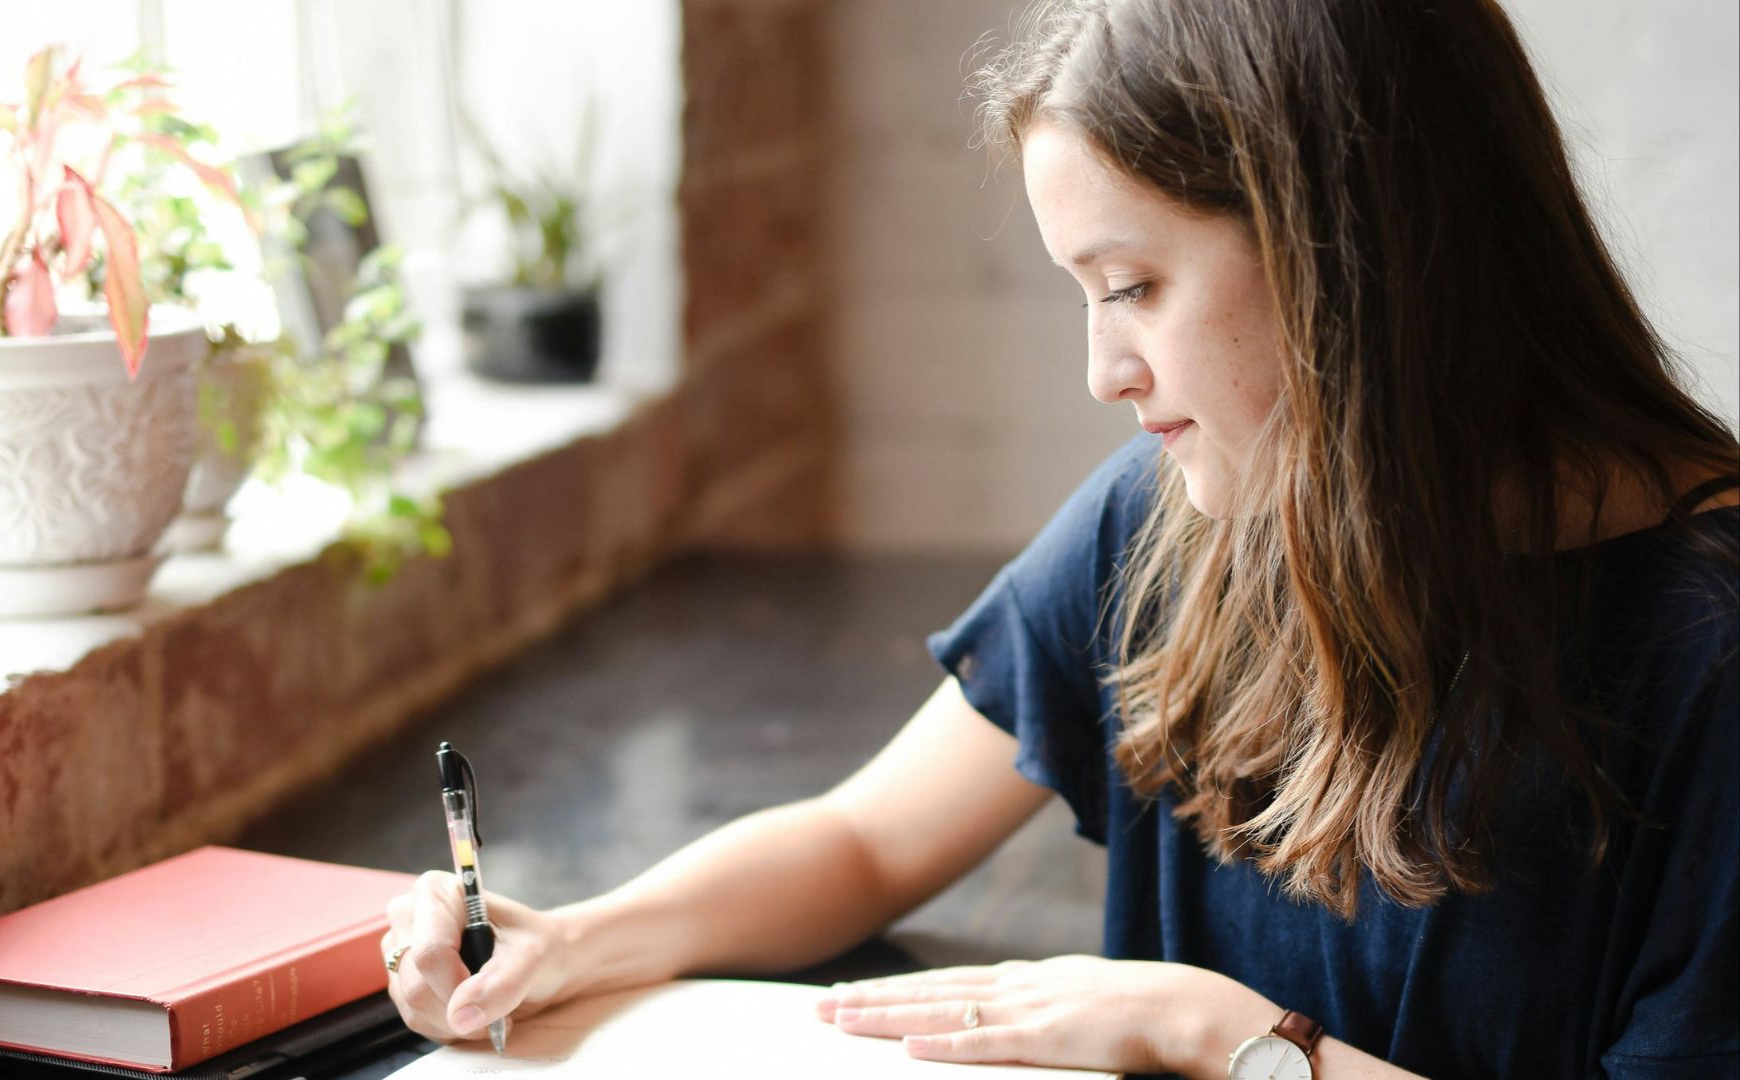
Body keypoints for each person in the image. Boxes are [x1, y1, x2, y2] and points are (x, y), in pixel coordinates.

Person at [381, 0, 1739, 1075]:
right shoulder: (1185, 518)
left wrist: (1222, 1039)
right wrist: (573, 942)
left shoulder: (1711, 659)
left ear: (1354, 250)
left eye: (1137, 286)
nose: (1106, 371)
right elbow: (865, 841)